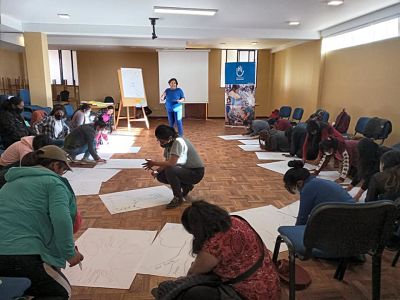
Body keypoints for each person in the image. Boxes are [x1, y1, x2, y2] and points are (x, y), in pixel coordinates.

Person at [0, 145, 84, 299]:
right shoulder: (53, 183)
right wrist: (69, 253)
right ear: (55, 165)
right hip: (23, 256)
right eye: (63, 169)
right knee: (61, 292)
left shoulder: (8, 185)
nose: (62, 174)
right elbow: (61, 219)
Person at [180, 200, 280, 300]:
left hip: (251, 294)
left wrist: (192, 269)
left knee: (194, 293)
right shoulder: (236, 220)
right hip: (270, 281)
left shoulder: (213, 244)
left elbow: (194, 273)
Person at [142, 125, 204, 209]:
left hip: (196, 173)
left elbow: (171, 163)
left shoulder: (178, 142)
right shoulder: (170, 143)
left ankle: (178, 198)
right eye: (159, 141)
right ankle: (186, 185)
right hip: (186, 170)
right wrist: (157, 171)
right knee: (160, 176)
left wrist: (154, 163)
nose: (161, 144)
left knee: (170, 170)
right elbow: (167, 162)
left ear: (170, 138)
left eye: (162, 141)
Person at [283, 160, 354, 225]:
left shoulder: (308, 188)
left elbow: (302, 217)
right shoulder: (317, 182)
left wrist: (295, 232)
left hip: (344, 220)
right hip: (355, 211)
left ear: (299, 183)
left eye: (292, 186)